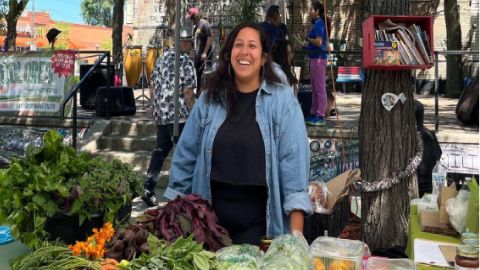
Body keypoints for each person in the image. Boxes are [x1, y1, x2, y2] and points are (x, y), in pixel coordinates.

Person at [164, 23, 312, 245]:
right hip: (207, 224)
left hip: (259, 227)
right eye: (238, 45)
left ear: (263, 58)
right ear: (229, 54)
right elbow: (186, 155)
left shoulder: (282, 103)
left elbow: (294, 168)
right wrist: (171, 217)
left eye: (252, 46)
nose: (244, 52)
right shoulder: (210, 99)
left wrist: (296, 241)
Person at [141, 27, 197, 207]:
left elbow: (152, 84)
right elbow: (188, 92)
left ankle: (148, 188)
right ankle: (177, 196)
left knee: (160, 151)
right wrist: (195, 112)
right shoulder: (186, 61)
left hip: (162, 114)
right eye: (190, 42)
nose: (191, 46)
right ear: (185, 43)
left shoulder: (161, 58)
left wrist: (154, 107)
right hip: (179, 116)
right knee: (185, 156)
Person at [305, 1, 328, 126]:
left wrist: (308, 39)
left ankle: (320, 115)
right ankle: (313, 112)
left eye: (311, 9)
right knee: (314, 88)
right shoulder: (316, 24)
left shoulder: (319, 23)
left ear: (317, 11)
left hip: (319, 58)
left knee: (319, 88)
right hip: (314, 57)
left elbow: (319, 42)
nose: (310, 12)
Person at [415, 100, 442, 197]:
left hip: (416, 187)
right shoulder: (431, 134)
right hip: (431, 187)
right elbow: (439, 154)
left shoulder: (407, 137)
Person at [186, 7, 212, 94]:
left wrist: (205, 52)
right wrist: (193, 51)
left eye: (191, 18)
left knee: (205, 76)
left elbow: (209, 38)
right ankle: (198, 93)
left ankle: (205, 95)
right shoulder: (195, 27)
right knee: (197, 75)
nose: (191, 20)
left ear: (195, 17)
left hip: (204, 56)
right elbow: (195, 42)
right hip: (198, 56)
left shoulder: (204, 24)